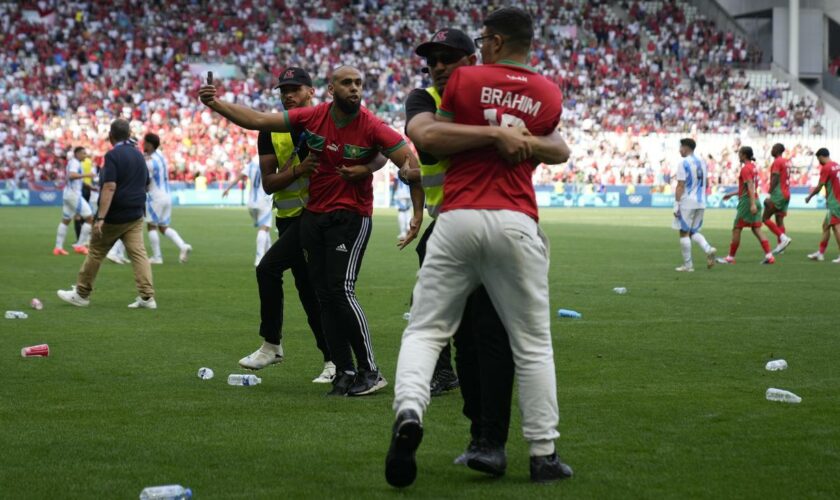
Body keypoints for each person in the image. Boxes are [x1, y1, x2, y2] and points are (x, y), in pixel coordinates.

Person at [386, 7, 573, 488]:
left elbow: (432, 138)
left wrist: (497, 132)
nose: (439, 67)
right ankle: (543, 454)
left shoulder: (463, 82)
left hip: (458, 216)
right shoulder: (549, 92)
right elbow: (559, 147)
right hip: (516, 218)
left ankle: (409, 409)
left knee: (426, 330)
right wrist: (509, 135)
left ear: (488, 41)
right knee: (532, 345)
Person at [199, 65, 425, 396]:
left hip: (350, 218)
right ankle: (342, 370)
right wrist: (216, 105)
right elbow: (258, 120)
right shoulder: (313, 117)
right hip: (312, 218)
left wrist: (417, 213)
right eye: (347, 83)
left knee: (339, 291)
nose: (354, 89)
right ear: (331, 89)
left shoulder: (372, 126)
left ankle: (370, 371)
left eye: (358, 83)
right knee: (321, 294)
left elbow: (410, 163)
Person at [402, 27, 519, 475]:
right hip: (449, 226)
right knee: (466, 338)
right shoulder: (423, 98)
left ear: (474, 59)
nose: (438, 65)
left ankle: (512, 442)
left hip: (501, 223)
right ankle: (480, 435)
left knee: (495, 337)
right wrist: (494, 135)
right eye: (432, 58)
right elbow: (428, 141)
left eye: (449, 56)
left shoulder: (502, 93)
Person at [235, 67, 384, 383]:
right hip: (290, 220)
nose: (288, 95)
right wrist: (299, 169)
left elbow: (379, 146)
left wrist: (365, 167)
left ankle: (283, 347)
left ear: (312, 91)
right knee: (313, 291)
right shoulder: (272, 131)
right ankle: (334, 362)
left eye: (295, 88)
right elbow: (270, 184)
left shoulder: (327, 122)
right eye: (283, 90)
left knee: (302, 284)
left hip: (320, 218)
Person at [56, 119, 156, 309]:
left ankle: (81, 294)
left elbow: (109, 187)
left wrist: (100, 217)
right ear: (128, 134)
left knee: (95, 251)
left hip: (115, 215)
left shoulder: (112, 156)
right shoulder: (138, 154)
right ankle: (147, 297)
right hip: (135, 213)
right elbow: (146, 182)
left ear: (110, 136)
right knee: (139, 254)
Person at [717, 146, 775, 265]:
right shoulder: (753, 167)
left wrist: (752, 204)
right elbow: (748, 187)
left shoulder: (745, 169)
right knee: (756, 229)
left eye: (739, 153)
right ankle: (769, 256)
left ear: (743, 155)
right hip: (755, 199)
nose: (738, 155)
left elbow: (750, 185)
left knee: (737, 228)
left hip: (747, 202)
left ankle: (730, 258)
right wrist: (732, 194)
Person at [143, 133, 192, 264]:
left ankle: (157, 257)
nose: (143, 145)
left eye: (144, 143)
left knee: (151, 226)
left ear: (149, 144)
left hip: (155, 196)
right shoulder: (161, 156)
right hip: (167, 195)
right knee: (163, 227)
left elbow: (146, 181)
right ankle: (183, 246)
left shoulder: (149, 163)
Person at [672, 138, 716, 272]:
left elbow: (680, 185)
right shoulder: (703, 162)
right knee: (693, 231)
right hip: (701, 201)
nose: (679, 150)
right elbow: (706, 182)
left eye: (680, 147)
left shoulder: (683, 163)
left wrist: (676, 204)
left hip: (687, 201)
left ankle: (688, 265)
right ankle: (708, 248)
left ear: (686, 148)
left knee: (684, 232)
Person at [222, 155, 274, 266]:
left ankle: (270, 254)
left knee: (265, 229)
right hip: (264, 201)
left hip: (251, 203)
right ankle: (259, 259)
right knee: (263, 229)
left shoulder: (251, 165)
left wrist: (228, 189)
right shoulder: (269, 163)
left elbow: (239, 177)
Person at [53, 146, 94, 256]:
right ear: (77, 154)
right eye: (83, 153)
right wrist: (87, 175)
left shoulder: (73, 162)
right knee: (90, 218)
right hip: (74, 195)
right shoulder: (75, 162)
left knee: (65, 220)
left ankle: (58, 248)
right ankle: (80, 245)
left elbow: (75, 178)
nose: (85, 155)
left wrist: (90, 187)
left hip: (67, 194)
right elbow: (72, 176)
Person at [805, 148, 840, 263]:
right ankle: (820, 253)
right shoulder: (837, 165)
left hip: (835, 202)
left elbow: (820, 186)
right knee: (826, 226)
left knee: (836, 227)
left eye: (818, 158)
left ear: (821, 156)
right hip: (836, 200)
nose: (818, 161)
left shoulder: (826, 168)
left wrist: (809, 196)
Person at [763, 143, 793, 254]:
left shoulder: (777, 161)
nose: (771, 150)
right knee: (779, 220)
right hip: (786, 193)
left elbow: (775, 178)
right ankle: (781, 247)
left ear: (777, 150)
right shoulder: (786, 162)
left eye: (773, 148)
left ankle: (784, 238)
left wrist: (769, 194)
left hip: (778, 194)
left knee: (765, 218)